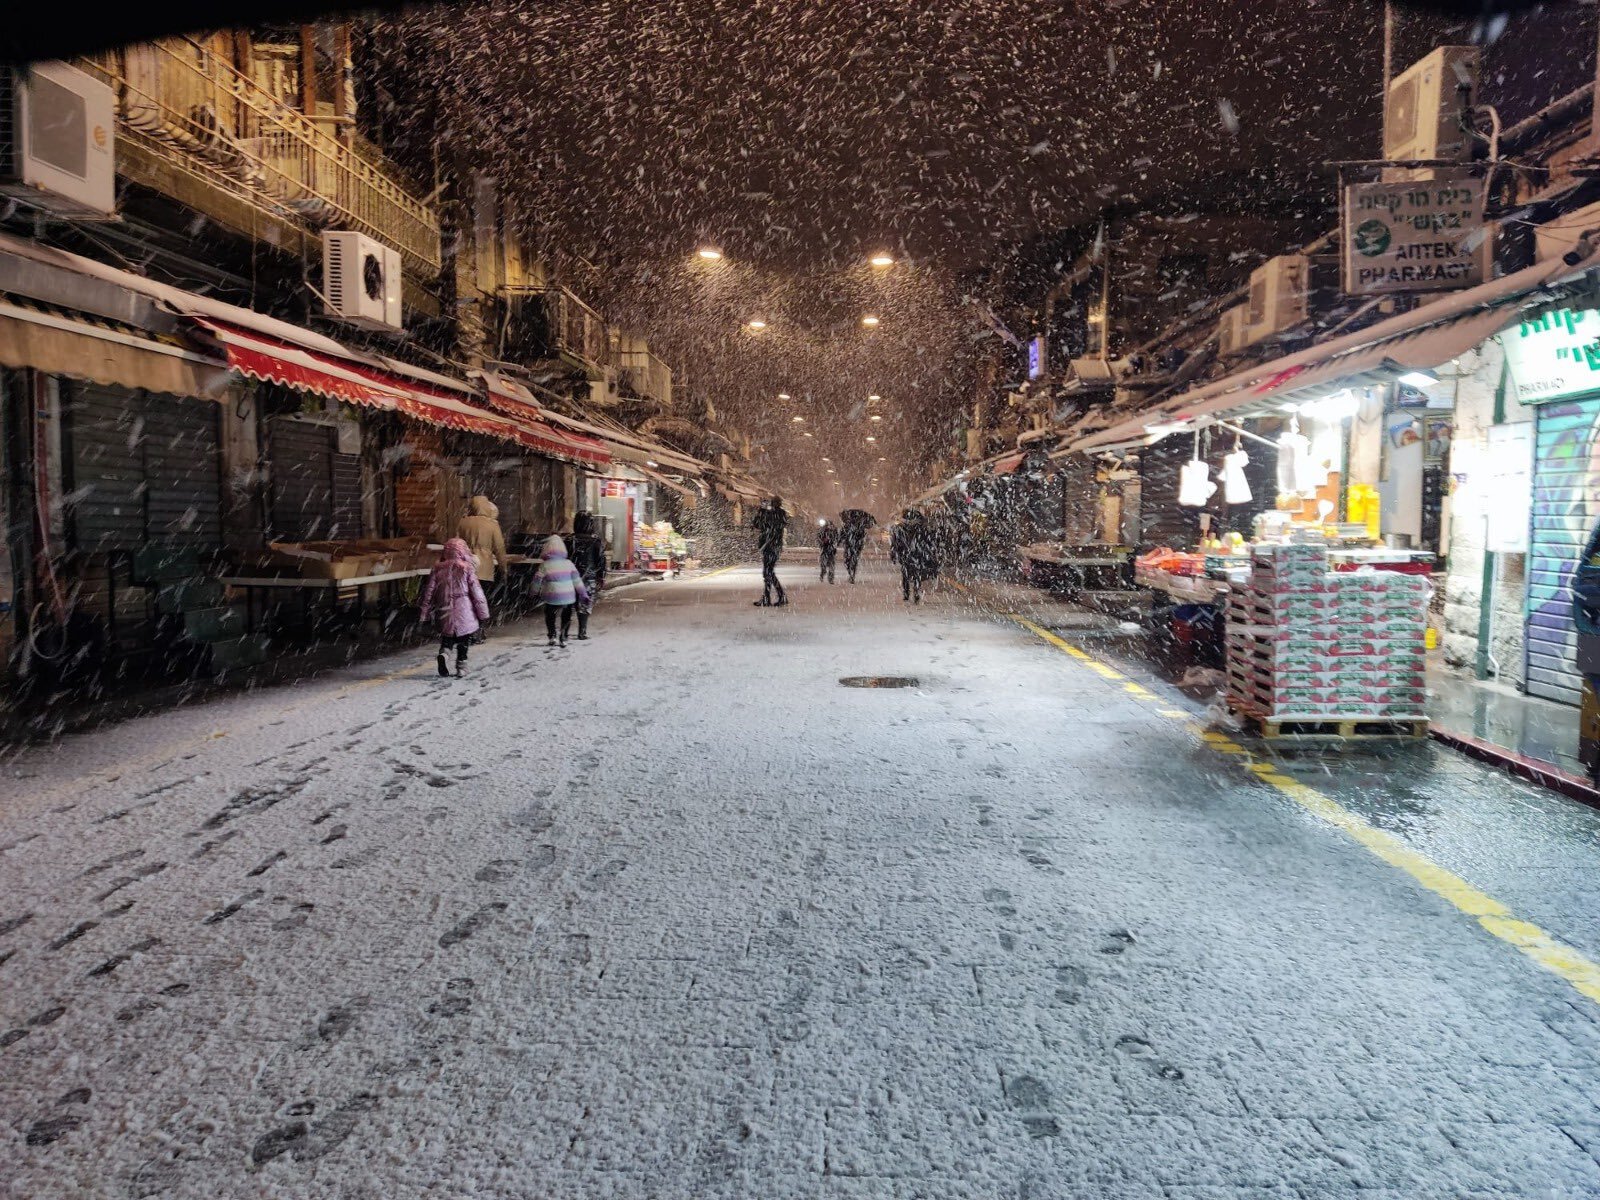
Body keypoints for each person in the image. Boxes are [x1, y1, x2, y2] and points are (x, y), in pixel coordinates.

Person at [419, 538, 490, 678]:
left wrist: (424, 614)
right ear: (463, 551)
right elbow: (477, 592)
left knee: (447, 637)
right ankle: (461, 667)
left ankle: (444, 654)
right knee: (464, 639)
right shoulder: (467, 568)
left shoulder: (437, 568)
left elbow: (429, 593)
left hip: (444, 609)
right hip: (464, 610)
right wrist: (483, 614)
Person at [534, 534, 590, 648]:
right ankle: (563, 637)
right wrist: (583, 594)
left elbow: (537, 581)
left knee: (550, 616)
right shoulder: (569, 564)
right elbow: (577, 581)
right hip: (567, 597)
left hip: (551, 596)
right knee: (566, 616)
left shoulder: (544, 565)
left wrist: (533, 592)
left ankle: (552, 636)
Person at [569, 511, 608, 640]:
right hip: (589, 577)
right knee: (585, 603)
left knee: (569, 602)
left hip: (570, 576)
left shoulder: (570, 540)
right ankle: (582, 631)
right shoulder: (595, 541)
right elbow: (601, 560)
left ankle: (564, 631)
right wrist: (601, 576)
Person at [889, 509, 940, 604]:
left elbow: (895, 543)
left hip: (906, 554)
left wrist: (894, 554)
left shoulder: (899, 529)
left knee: (906, 574)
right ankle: (915, 591)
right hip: (917, 554)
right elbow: (930, 542)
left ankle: (907, 593)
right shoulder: (922, 528)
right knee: (916, 574)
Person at [457, 495, 508, 589]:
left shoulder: (462, 522)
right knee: (482, 595)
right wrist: (503, 568)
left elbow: (456, 545)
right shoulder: (492, 524)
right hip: (484, 570)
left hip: (465, 568)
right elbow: (499, 548)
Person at [751, 496, 789, 607]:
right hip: (770, 546)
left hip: (771, 546)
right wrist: (762, 510)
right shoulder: (774, 514)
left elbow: (763, 525)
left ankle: (775, 597)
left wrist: (762, 511)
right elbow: (757, 524)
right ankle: (771, 597)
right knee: (768, 572)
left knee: (768, 572)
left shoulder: (779, 514)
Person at [839, 511, 873, 584]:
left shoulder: (856, 526)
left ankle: (851, 574)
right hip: (852, 546)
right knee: (851, 560)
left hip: (853, 546)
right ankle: (851, 573)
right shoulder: (848, 525)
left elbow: (842, 535)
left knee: (849, 560)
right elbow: (842, 534)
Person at [817, 519, 840, 584]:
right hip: (825, 549)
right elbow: (819, 539)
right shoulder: (822, 531)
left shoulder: (834, 531)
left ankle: (830, 578)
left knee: (831, 565)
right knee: (824, 565)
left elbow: (837, 539)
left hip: (831, 550)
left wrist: (834, 543)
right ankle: (823, 574)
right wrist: (823, 542)